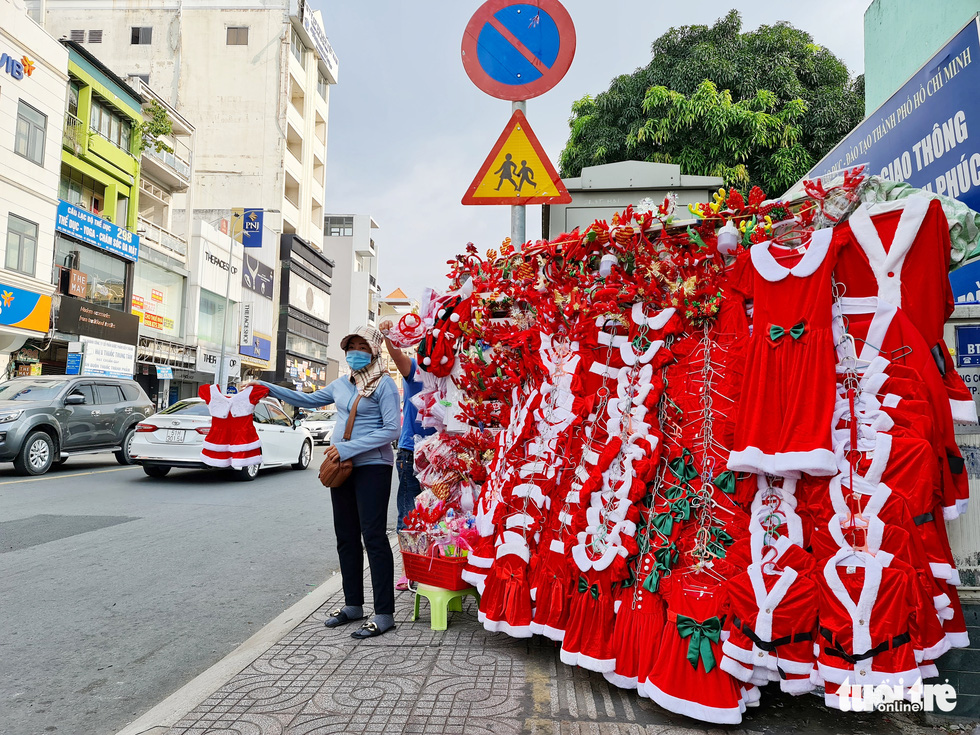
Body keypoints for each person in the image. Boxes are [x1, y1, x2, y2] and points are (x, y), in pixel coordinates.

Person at [243, 326, 401, 639]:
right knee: (345, 536)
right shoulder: (342, 384)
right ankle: (353, 605)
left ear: (374, 351)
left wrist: (347, 447)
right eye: (350, 346)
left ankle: (384, 613)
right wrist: (266, 387)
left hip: (373, 467)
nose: (355, 352)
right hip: (341, 467)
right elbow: (309, 399)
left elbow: (392, 430)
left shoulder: (385, 385)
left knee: (373, 537)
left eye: (362, 346)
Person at [378, 319, 436, 590]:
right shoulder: (416, 370)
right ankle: (410, 570)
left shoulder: (455, 376)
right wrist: (389, 333)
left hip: (443, 455)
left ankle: (436, 566)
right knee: (409, 513)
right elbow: (396, 354)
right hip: (412, 453)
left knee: (440, 514)